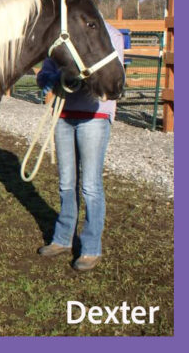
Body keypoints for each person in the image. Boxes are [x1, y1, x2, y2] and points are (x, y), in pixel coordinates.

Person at [36, 21, 124, 271]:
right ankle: (63, 238)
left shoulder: (112, 35)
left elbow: (113, 77)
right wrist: (54, 78)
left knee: (90, 186)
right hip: (63, 114)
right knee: (66, 182)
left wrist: (78, 78)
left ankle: (91, 248)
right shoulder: (64, 36)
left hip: (94, 117)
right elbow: (44, 73)